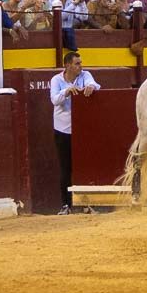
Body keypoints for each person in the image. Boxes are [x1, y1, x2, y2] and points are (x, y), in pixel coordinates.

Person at [49, 50, 101, 214]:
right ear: (67, 65)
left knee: (84, 167)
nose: (80, 66)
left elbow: (95, 85)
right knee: (66, 168)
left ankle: (86, 204)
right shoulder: (56, 80)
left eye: (80, 63)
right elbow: (54, 100)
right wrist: (66, 91)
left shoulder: (85, 75)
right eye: (77, 63)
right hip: (63, 129)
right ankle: (66, 205)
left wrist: (91, 86)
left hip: (82, 129)